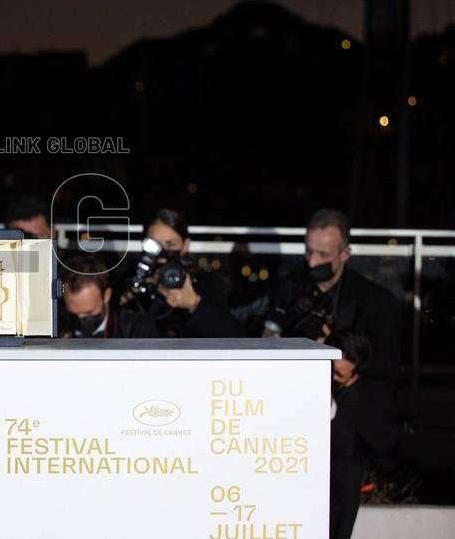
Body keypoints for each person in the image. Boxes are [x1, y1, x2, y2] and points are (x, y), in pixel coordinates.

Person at [271, 208, 401, 475]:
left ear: (345, 254)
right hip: (292, 421)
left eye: (323, 255)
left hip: (355, 428)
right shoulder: (289, 288)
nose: (312, 262)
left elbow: (389, 363)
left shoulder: (375, 300)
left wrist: (343, 359)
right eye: (308, 251)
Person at [120, 209, 243, 338]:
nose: (162, 254)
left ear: (185, 245)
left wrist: (194, 303)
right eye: (154, 245)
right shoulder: (132, 275)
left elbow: (234, 335)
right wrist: (133, 294)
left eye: (171, 244)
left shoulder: (204, 281)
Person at [325, 330, 372, 539]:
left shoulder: (357, 401)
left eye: (338, 376)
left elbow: (344, 444)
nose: (330, 379)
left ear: (353, 378)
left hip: (338, 489)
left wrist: (329, 405)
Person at [61, 254, 159, 338]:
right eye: (73, 313)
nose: (80, 319)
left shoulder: (137, 329)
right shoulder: (57, 326)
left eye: (89, 312)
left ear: (106, 295)